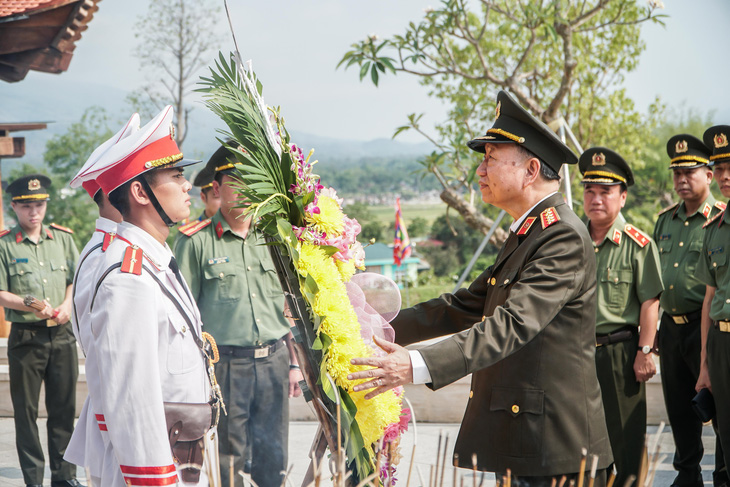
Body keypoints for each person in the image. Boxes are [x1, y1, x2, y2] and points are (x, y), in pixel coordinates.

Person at [347, 91, 613, 485]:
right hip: (526, 441)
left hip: (555, 450)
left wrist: (416, 365)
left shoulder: (562, 237)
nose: (480, 171)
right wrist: (366, 325)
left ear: (531, 169)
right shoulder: (530, 232)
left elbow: (511, 324)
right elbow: (461, 307)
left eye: (490, 158)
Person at [64, 105, 218, 487]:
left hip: (180, 448)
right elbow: (133, 397)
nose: (187, 186)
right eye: (176, 176)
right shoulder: (128, 278)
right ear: (140, 192)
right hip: (156, 462)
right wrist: (155, 478)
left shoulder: (152, 261)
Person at [174, 142, 302, 487]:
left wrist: (293, 363)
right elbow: (182, 317)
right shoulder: (196, 242)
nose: (248, 191)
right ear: (216, 188)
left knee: (274, 453)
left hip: (273, 360)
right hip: (225, 366)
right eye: (238, 182)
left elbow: (288, 307)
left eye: (254, 182)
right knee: (227, 456)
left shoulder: (274, 239)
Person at [580, 148, 663, 487]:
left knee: (625, 439)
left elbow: (649, 301)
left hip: (619, 353)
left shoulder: (637, 244)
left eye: (606, 192)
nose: (596, 199)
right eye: (590, 191)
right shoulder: (572, 240)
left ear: (623, 197)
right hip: (577, 353)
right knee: (580, 437)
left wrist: (645, 352)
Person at [63, 114, 137, 483]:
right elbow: (104, 347)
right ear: (111, 193)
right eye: (134, 182)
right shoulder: (105, 254)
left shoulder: (117, 247)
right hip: (118, 411)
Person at [653, 135, 727, 487]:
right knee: (680, 406)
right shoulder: (664, 221)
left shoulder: (719, 219)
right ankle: (687, 475)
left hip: (707, 325)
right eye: (676, 174)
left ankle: (722, 474)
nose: (681, 180)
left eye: (690, 172)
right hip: (670, 326)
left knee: (718, 406)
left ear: (709, 176)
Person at [0, 174, 81, 487]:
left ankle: (65, 477)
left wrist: (67, 304)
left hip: (61, 335)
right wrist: (33, 305)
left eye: (39, 205)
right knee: (26, 413)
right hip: (26, 338)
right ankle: (33, 479)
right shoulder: (5, 245)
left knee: (63, 409)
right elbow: (2, 292)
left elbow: (75, 278)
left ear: (46, 205)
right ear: (15, 207)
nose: (34, 212)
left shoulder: (62, 238)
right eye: (27, 206)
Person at [696, 124, 730, 483]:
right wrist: (705, 365)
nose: (724, 176)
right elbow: (709, 299)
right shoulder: (714, 229)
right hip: (721, 344)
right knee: (725, 434)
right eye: (719, 169)